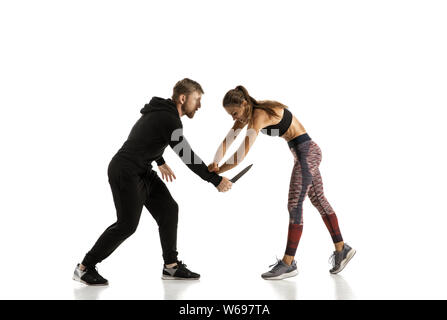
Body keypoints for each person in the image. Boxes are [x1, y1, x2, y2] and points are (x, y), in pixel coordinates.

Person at [73, 78, 233, 286]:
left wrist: (160, 160)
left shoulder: (160, 112)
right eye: (197, 99)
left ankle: (171, 266)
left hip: (142, 170)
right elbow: (187, 156)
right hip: (125, 171)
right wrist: (215, 179)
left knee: (168, 209)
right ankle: (84, 268)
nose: (199, 106)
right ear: (183, 98)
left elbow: (147, 136)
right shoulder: (170, 118)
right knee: (127, 225)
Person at [208, 85, 355, 280]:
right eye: (230, 115)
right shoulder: (247, 115)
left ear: (244, 104)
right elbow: (228, 140)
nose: (234, 118)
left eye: (234, 113)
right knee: (318, 199)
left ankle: (288, 263)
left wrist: (220, 171)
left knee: (294, 204)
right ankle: (342, 248)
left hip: (307, 153)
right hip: (304, 153)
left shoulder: (258, 115)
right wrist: (215, 162)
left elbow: (241, 153)